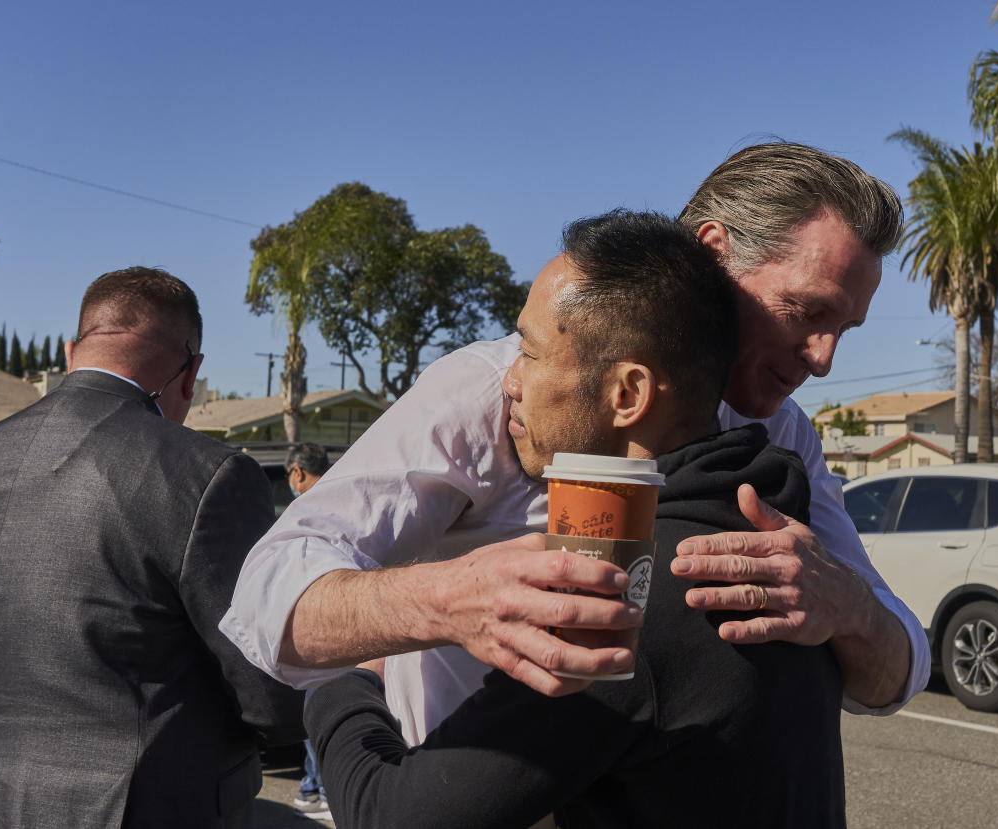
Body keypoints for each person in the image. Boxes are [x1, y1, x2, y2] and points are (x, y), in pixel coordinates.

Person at [222, 142, 929, 734]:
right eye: (806, 311)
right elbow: (265, 597)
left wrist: (848, 606)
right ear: (715, 254)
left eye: (845, 329)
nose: (825, 356)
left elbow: (895, 671)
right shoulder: (502, 390)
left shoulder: (783, 435)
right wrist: (449, 601)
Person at [305, 210, 848, 827]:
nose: (509, 380)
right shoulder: (789, 551)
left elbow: (392, 815)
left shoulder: (624, 594)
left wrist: (345, 684)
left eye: (531, 352)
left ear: (627, 395)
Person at [0, 267, 305, 828]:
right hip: (147, 808)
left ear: (70, 352)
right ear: (192, 373)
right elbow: (266, 689)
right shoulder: (208, 475)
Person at [283, 442, 335, 821]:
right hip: (333, 626)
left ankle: (316, 789)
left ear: (297, 473)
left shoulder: (306, 508)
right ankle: (314, 789)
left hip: (315, 626)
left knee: (319, 712)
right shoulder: (340, 497)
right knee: (322, 712)